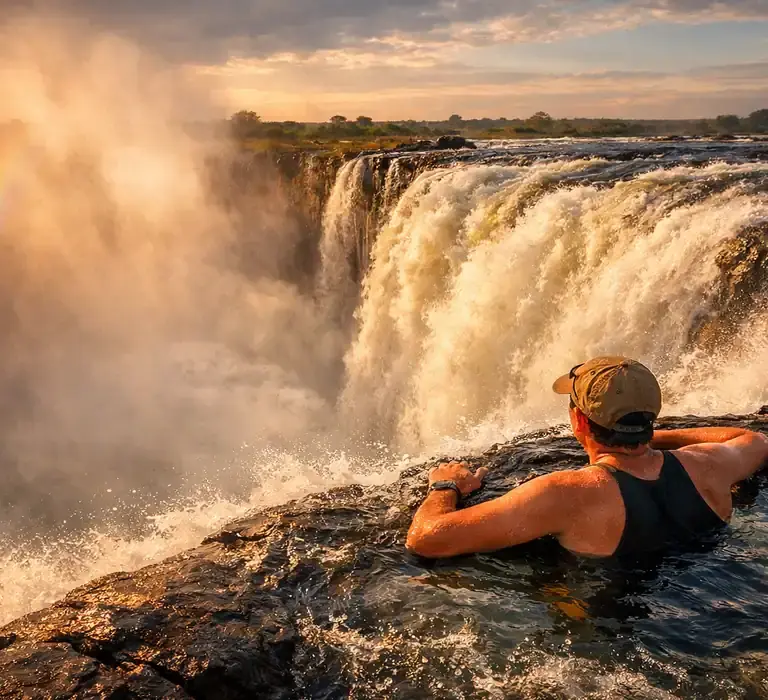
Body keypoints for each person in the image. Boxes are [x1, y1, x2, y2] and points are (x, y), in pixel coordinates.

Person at [406, 356, 768, 558]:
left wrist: (445, 485)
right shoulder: (707, 464)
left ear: (579, 420)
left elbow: (427, 538)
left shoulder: (569, 493)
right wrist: (648, 440)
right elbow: (753, 439)